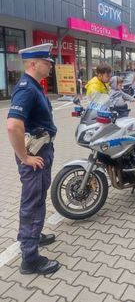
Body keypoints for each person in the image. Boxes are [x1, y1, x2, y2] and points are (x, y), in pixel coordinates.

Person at [7, 43, 60, 275]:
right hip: (35, 156)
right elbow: (13, 126)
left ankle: (35, 236)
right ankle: (30, 259)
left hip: (42, 152)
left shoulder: (34, 86)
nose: (50, 66)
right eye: (47, 62)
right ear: (33, 64)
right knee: (32, 204)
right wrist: (25, 157)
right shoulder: (27, 89)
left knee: (37, 198)